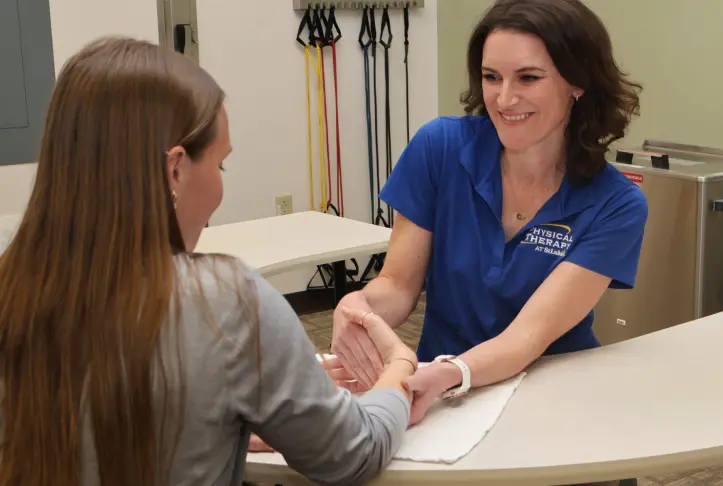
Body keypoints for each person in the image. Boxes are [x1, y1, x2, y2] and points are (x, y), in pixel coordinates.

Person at [0, 37, 417, 486]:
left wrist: (231, 410)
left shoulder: (14, 287)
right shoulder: (227, 302)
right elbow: (354, 451)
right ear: (174, 170)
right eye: (221, 167)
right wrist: (399, 369)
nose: (220, 190)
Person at [332, 0, 647, 430]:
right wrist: (360, 305)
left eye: (528, 78)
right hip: (440, 398)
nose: (504, 98)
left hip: (550, 398)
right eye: (491, 77)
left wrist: (452, 372)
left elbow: (527, 337)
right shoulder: (439, 148)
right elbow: (398, 286)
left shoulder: (616, 204)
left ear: (578, 83)